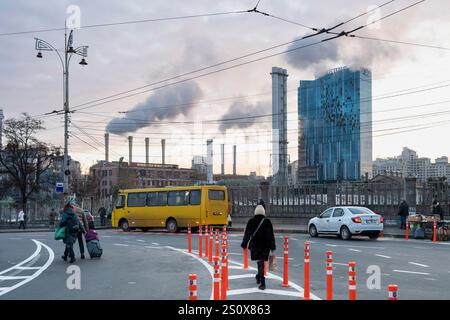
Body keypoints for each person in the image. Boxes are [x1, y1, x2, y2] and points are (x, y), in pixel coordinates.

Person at [241, 205, 276, 290]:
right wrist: (272, 246)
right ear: (264, 212)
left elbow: (247, 234)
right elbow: (271, 235)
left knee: (259, 262)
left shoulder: (251, 221)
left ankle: (262, 282)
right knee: (261, 262)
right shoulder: (267, 221)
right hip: (265, 246)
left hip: (255, 246)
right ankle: (258, 276)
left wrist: (244, 244)